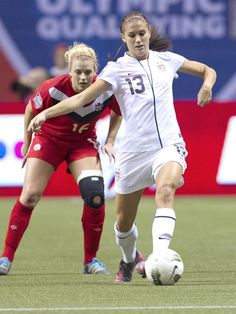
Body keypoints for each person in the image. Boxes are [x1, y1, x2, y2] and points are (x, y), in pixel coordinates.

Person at [27, 11, 217, 283]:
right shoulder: (115, 69)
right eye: (132, 36)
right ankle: (129, 259)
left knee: (166, 190)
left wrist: (207, 85)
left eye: (142, 34)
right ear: (123, 38)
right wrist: (46, 114)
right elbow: (80, 98)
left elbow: (206, 70)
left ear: (149, 33)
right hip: (133, 153)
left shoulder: (167, 60)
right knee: (123, 224)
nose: (138, 40)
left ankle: (159, 258)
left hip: (168, 145)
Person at [0, 42, 122, 276]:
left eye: (88, 72)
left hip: (81, 144)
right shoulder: (52, 88)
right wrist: (27, 141)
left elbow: (118, 110)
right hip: (49, 141)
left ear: (95, 69)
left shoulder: (104, 88)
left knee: (95, 195)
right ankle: (5, 257)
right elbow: (30, 110)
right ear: (69, 70)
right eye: (78, 72)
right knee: (30, 195)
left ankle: (90, 260)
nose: (84, 77)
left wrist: (110, 140)